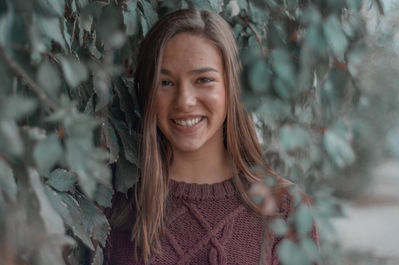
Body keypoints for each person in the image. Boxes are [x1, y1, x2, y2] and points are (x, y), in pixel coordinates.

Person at [105, 8, 318, 265]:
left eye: (203, 79)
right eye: (166, 83)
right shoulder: (112, 198)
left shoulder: (286, 208)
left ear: (231, 87)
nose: (184, 101)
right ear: (147, 93)